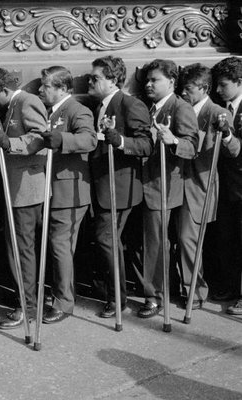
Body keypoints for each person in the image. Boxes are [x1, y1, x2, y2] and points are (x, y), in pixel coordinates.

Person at [0, 67, 48, 329]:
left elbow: (39, 138)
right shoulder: (12, 106)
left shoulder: (27, 101)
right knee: (17, 249)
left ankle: (28, 307)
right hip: (16, 188)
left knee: (22, 250)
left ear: (4, 91)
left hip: (26, 190)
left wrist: (10, 143)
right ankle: (26, 302)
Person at [87, 56, 153, 318]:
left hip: (119, 187)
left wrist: (120, 140)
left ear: (112, 80)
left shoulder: (130, 104)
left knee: (106, 239)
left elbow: (146, 144)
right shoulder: (99, 106)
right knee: (105, 240)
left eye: (96, 78)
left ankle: (117, 298)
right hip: (100, 183)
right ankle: (109, 289)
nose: (90, 82)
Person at [137, 59, 199, 319]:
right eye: (148, 80)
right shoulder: (151, 107)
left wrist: (173, 140)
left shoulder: (180, 107)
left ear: (171, 83)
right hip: (147, 182)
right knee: (150, 242)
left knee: (157, 242)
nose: (149, 84)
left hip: (165, 184)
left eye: (155, 80)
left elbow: (192, 146)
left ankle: (155, 297)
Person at [176, 64, 240, 309]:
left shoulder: (217, 113)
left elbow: (233, 150)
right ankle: (184, 285)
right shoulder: (180, 108)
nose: (184, 92)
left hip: (199, 186)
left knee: (188, 239)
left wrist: (225, 134)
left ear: (204, 88)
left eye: (189, 88)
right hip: (175, 182)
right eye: (182, 87)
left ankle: (195, 291)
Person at [37, 66, 97, 324]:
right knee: (56, 245)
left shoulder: (77, 110)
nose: (41, 90)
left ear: (62, 88)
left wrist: (61, 139)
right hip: (51, 190)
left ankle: (63, 302)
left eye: (46, 86)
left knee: (60, 246)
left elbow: (89, 140)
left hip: (69, 191)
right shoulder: (48, 111)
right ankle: (58, 294)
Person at [210, 56, 242, 314]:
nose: (218, 91)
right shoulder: (223, 110)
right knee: (229, 239)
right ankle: (232, 287)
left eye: (223, 85)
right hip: (228, 187)